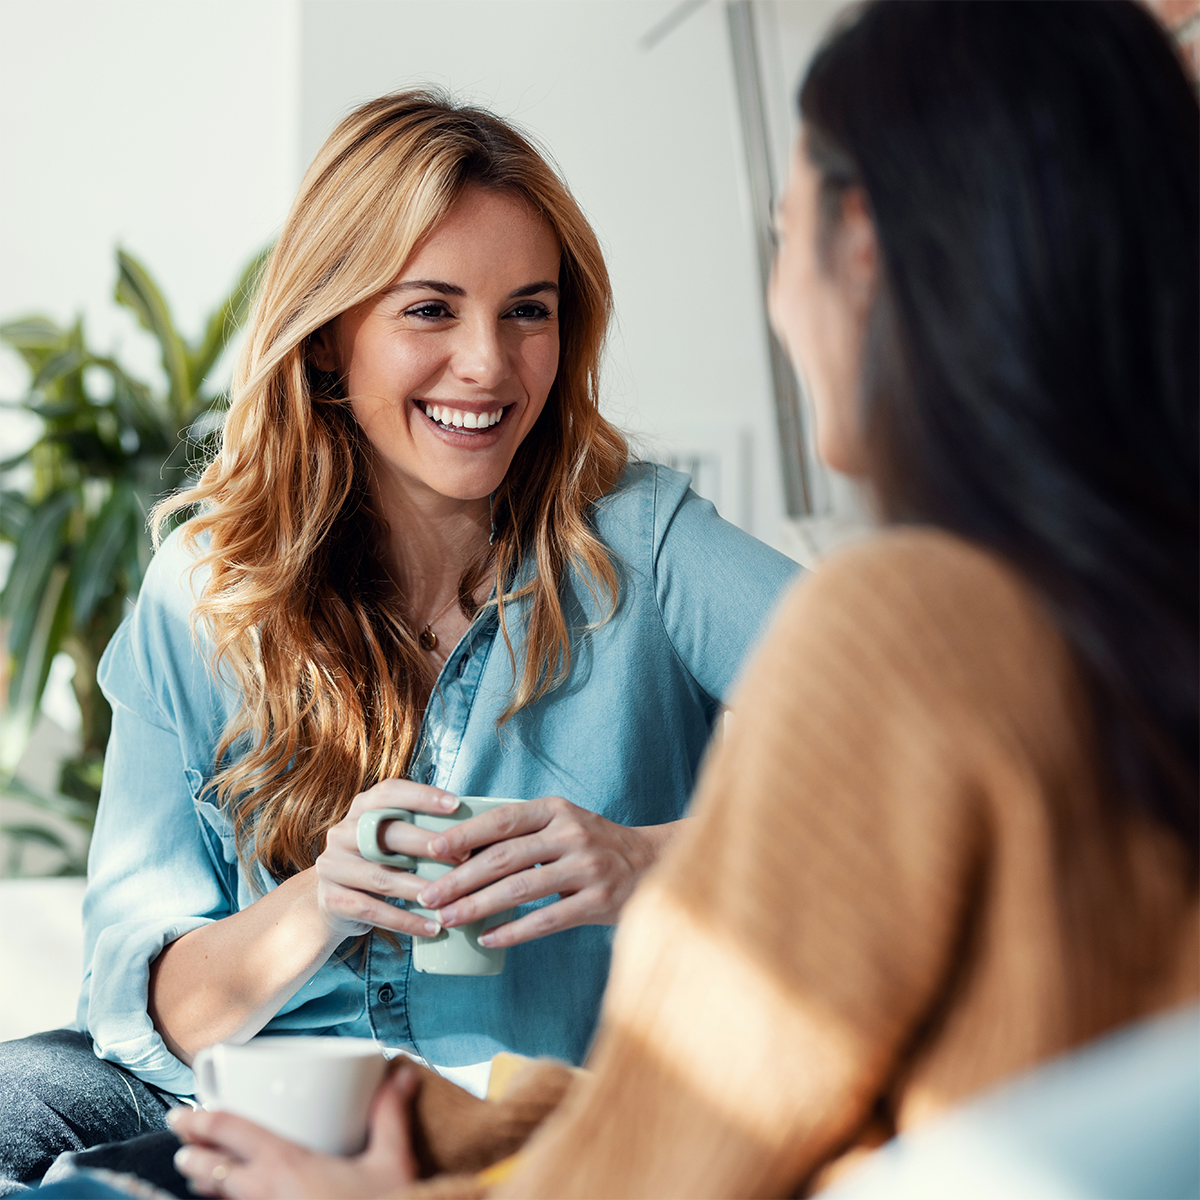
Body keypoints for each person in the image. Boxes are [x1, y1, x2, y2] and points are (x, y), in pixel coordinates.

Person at [157, 1, 1197, 1197]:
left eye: (780, 228)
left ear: (859, 247)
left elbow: (688, 1148)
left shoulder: (903, 625)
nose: (487, 364)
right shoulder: (1119, 612)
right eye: (430, 308)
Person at [0, 91, 798, 1192]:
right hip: (270, 1095)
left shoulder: (640, 542)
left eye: (529, 310)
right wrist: (322, 899)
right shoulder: (209, 592)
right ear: (332, 333)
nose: (489, 364)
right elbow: (152, 1011)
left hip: (535, 1118)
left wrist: (645, 858)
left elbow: (910, 719)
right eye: (432, 310)